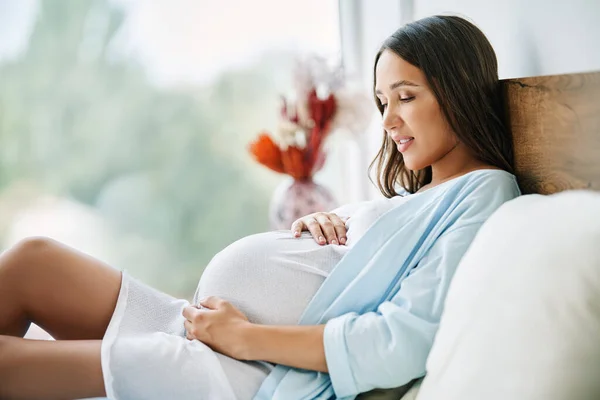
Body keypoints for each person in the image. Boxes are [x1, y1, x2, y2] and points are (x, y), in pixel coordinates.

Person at [0, 15, 520, 400]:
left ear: (459, 91)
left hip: (247, 374)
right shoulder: (418, 200)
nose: (386, 122)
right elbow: (360, 275)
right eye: (383, 102)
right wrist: (332, 229)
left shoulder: (485, 192)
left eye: (405, 97)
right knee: (32, 260)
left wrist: (244, 337)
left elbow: (394, 342)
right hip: (206, 331)